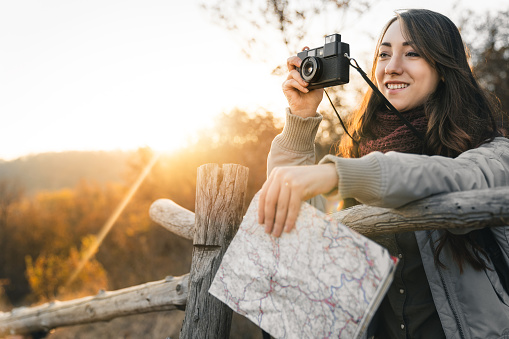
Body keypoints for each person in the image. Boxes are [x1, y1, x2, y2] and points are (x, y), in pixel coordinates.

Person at [258, 8, 509, 339]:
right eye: (384, 54)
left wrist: (337, 175)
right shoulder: (358, 153)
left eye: (412, 53)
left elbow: (452, 177)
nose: (392, 66)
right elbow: (295, 221)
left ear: (444, 68)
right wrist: (300, 120)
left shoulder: (493, 153)